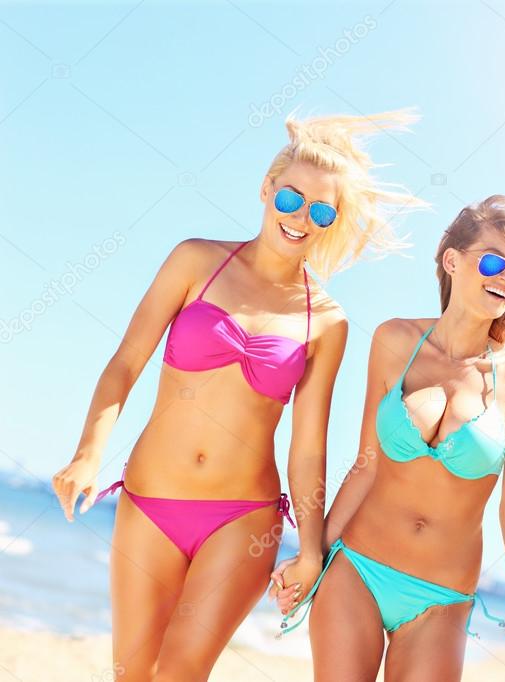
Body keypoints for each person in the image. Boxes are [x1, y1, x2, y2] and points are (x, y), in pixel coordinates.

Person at [51, 111, 423, 681]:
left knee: (178, 672)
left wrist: (311, 548)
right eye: (292, 198)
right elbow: (126, 362)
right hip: (149, 501)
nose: (301, 216)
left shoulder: (326, 321)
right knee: (131, 674)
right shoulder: (195, 261)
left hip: (243, 518)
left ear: (331, 221)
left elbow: (307, 447)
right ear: (267, 189)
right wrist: (87, 453)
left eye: (321, 209)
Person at [271, 168, 505, 680]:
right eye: (492, 261)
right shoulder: (394, 340)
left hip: (442, 595)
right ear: (452, 260)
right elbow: (365, 466)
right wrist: (313, 555)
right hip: (357, 566)